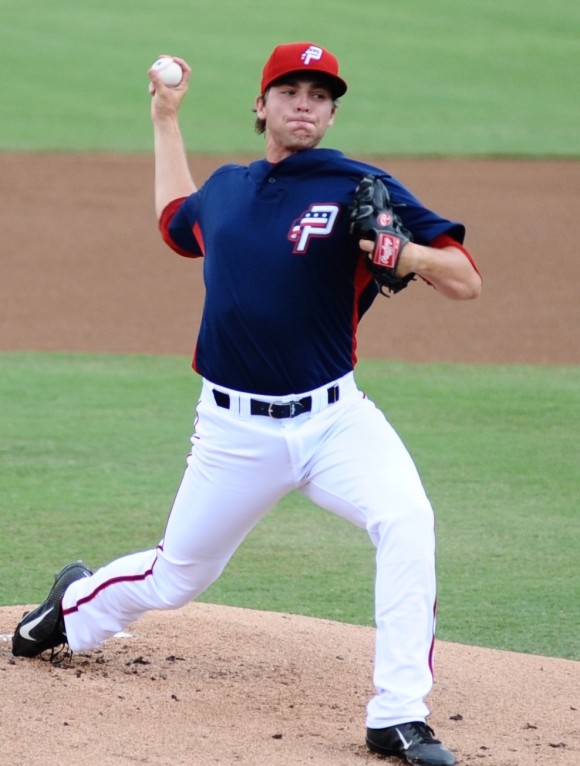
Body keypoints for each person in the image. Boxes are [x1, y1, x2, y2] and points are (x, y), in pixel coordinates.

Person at [13, 42, 481, 766]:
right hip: (234, 431)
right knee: (176, 578)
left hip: (336, 421)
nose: (305, 103)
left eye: (319, 95)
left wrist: (406, 255)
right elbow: (175, 220)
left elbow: (465, 282)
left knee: (408, 520)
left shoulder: (361, 185)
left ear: (330, 112)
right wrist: (165, 118)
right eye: (289, 90)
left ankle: (397, 715)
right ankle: (74, 603)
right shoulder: (227, 190)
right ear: (261, 106)